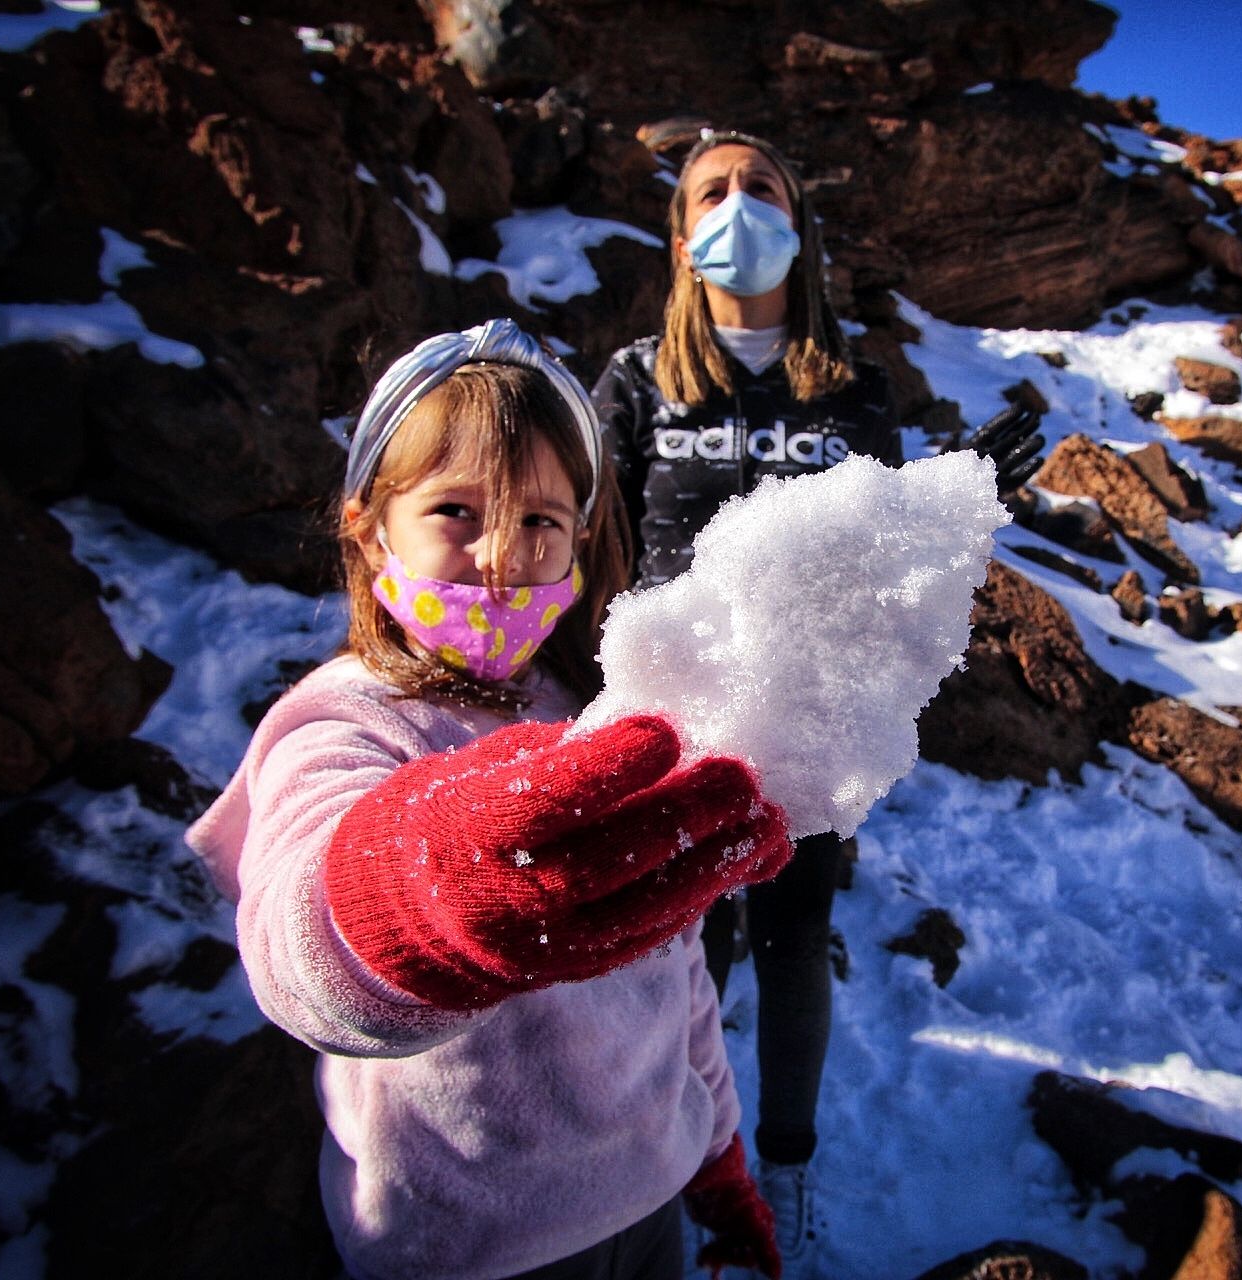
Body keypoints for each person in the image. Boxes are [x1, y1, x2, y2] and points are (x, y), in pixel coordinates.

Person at [186, 318, 796, 1280]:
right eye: (457, 512)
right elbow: (298, 949)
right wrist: (415, 905)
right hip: (469, 1246)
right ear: (368, 524)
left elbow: (677, 977)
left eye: (542, 522)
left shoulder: (596, 715)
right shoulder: (342, 723)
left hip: (650, 1203)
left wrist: (717, 1156)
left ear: (581, 548)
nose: (504, 554)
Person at [591, 129, 1043, 1272]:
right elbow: (594, 546)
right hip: (671, 720)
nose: (738, 208)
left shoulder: (854, 386)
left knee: (794, 940)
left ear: (801, 222)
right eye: (712, 192)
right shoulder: (638, 379)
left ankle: (780, 1168)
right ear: (681, 233)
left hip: (805, 719)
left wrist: (950, 505)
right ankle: (687, 1158)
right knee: (682, 950)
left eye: (761, 189)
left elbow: (882, 569)